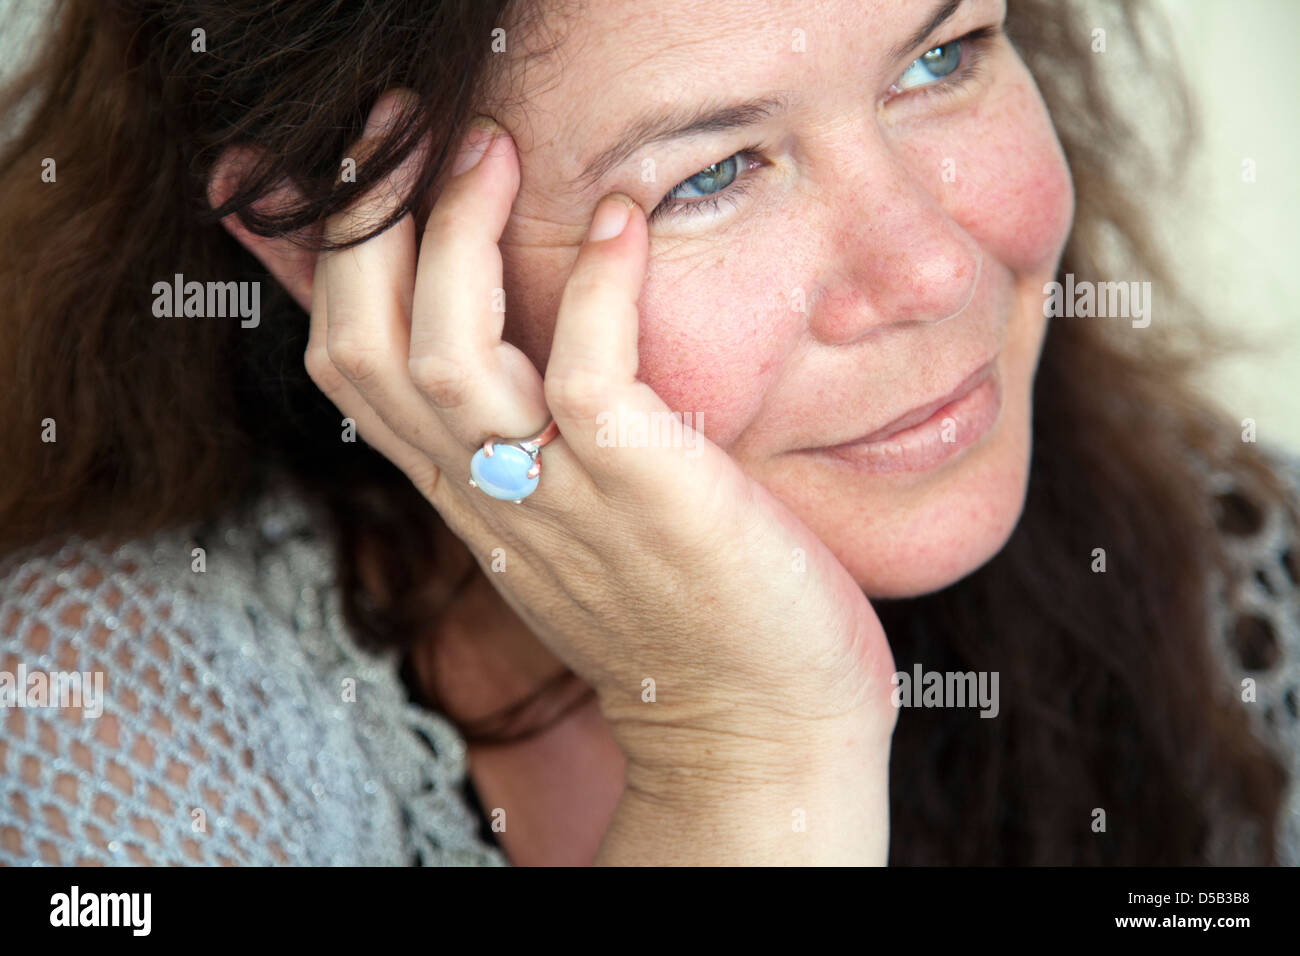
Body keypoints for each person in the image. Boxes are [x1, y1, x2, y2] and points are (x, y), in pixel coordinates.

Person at [0, 0, 1296, 866]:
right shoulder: (106, 724)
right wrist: (742, 753)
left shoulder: (1245, 565)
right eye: (712, 175)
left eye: (940, 57)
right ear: (349, 248)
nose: (936, 274)